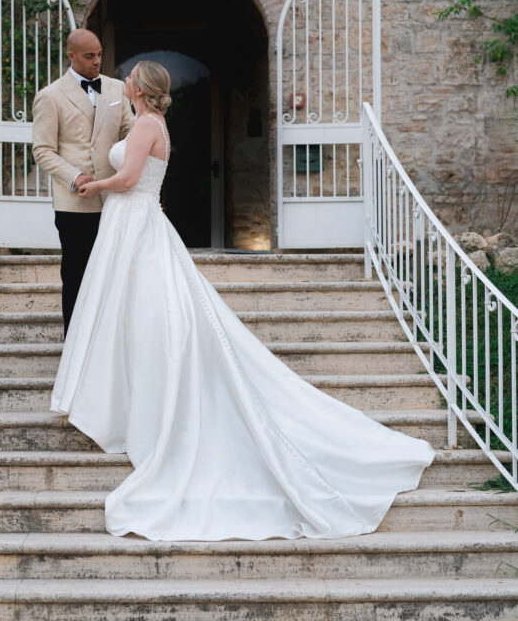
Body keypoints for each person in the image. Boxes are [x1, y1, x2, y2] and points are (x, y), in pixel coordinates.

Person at [50, 60, 435, 541]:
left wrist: (93, 183)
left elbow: (128, 179)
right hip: (130, 225)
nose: (123, 79)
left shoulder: (148, 123)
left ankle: (146, 408)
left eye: (131, 78)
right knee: (129, 316)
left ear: (141, 89)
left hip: (135, 222)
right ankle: (122, 402)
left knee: (150, 315)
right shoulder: (145, 120)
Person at [31, 28, 134, 334]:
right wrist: (74, 177)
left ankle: (106, 340)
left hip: (115, 199)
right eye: (90, 56)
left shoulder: (116, 90)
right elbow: (42, 151)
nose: (97, 61)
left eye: (100, 54)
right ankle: (73, 345)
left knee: (113, 275)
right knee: (76, 274)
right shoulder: (49, 96)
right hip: (73, 203)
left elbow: (130, 134)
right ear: (71, 56)